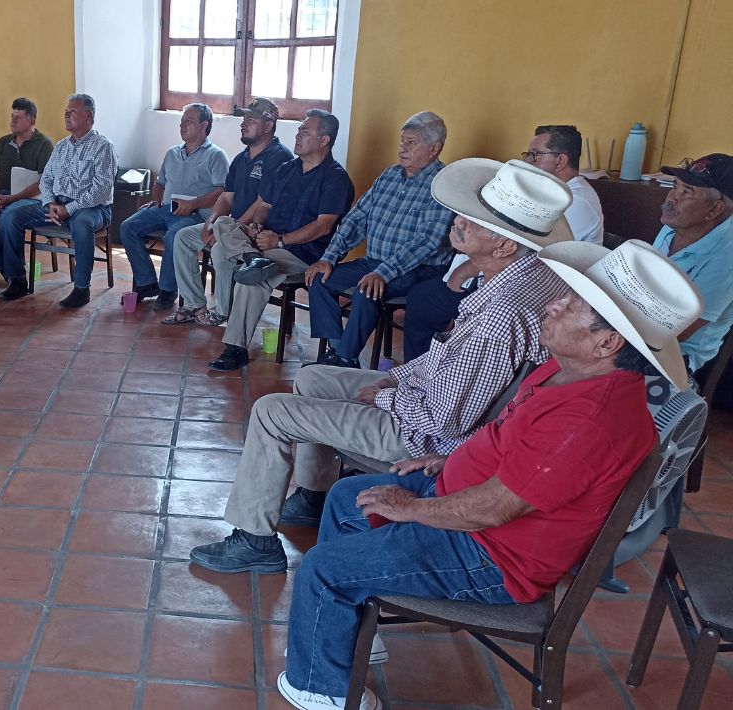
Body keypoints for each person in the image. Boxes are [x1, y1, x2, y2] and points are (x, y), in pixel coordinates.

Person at [275, 239, 698, 710]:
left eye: (572, 304)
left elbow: (496, 508)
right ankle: (344, 635)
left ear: (607, 342)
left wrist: (412, 508)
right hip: (469, 502)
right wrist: (445, 462)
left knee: (323, 569)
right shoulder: (567, 370)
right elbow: (507, 437)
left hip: (494, 556)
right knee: (348, 496)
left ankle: (323, 690)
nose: (554, 303)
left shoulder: (589, 419)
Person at [189, 159, 575, 575]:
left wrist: (388, 394)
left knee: (271, 411)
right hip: (435, 400)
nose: (458, 222)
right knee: (312, 375)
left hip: (427, 438)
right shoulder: (528, 275)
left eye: (473, 220)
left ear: (503, 246)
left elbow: (442, 421)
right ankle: (314, 496)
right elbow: (449, 358)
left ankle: (254, 540)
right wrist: (397, 375)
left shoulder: (502, 313)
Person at [403, 124, 606, 360]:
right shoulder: (550, 194)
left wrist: (462, 273)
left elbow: (526, 252)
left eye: (535, 155)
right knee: (424, 293)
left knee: (422, 301)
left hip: (527, 290)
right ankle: (429, 366)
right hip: (498, 274)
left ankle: (433, 369)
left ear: (560, 160)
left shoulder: (575, 201)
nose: (529, 161)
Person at [305, 112, 456, 368]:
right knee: (320, 279)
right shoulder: (390, 175)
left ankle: (345, 358)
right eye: (402, 141)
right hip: (375, 261)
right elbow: (356, 219)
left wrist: (383, 273)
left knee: (367, 290)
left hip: (419, 268)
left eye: (411, 142)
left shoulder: (442, 185)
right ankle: (337, 348)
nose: (402, 148)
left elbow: (427, 242)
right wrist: (328, 258)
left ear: (434, 149)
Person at [207, 110, 354, 370]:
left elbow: (323, 226)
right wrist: (256, 225)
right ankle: (252, 258)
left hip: (301, 253)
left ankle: (235, 348)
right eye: (299, 130)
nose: (297, 135)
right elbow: (264, 204)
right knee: (224, 225)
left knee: (253, 278)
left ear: (324, 140)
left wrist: (280, 241)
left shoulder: (336, 179)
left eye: (305, 131)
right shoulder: (287, 169)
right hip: (266, 243)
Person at [165, 97, 294, 326]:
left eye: (251, 119)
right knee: (183, 237)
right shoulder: (242, 158)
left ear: (268, 125)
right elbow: (226, 196)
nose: (243, 123)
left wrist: (227, 228)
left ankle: (223, 310)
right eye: (244, 118)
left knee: (219, 248)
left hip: (259, 230)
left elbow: (262, 203)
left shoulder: (279, 157)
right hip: (232, 224)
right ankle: (194, 304)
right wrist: (210, 222)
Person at [0, 93, 116, 307]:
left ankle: (81, 288)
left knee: (82, 223)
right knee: (12, 214)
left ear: (88, 116)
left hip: (91, 207)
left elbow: (101, 190)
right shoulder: (61, 147)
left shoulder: (102, 146)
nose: (66, 114)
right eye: (66, 111)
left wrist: (69, 208)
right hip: (56, 205)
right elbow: (46, 180)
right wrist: (50, 204)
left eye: (72, 111)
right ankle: (17, 279)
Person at [119, 103, 229, 310]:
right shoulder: (172, 153)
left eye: (188, 121)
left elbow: (222, 192)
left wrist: (193, 204)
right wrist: (156, 200)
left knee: (174, 236)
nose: (182, 125)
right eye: (181, 122)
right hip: (166, 208)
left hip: (196, 214)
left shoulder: (215, 156)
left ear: (204, 125)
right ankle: (147, 283)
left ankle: (168, 290)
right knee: (127, 226)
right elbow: (159, 183)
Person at [651, 153, 733, 372]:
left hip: (677, 356)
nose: (672, 198)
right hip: (640, 327)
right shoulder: (678, 222)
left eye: (686, 192)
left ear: (714, 209)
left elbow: (679, 331)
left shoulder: (728, 256)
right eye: (675, 186)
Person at [0, 97, 54, 280]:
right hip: (2, 196)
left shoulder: (44, 145)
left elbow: (43, 184)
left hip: (30, 200)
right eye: (12, 116)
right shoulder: (3, 143)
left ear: (32, 121)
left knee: (8, 217)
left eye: (18, 117)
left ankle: (12, 274)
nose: (13, 121)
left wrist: (12, 199)